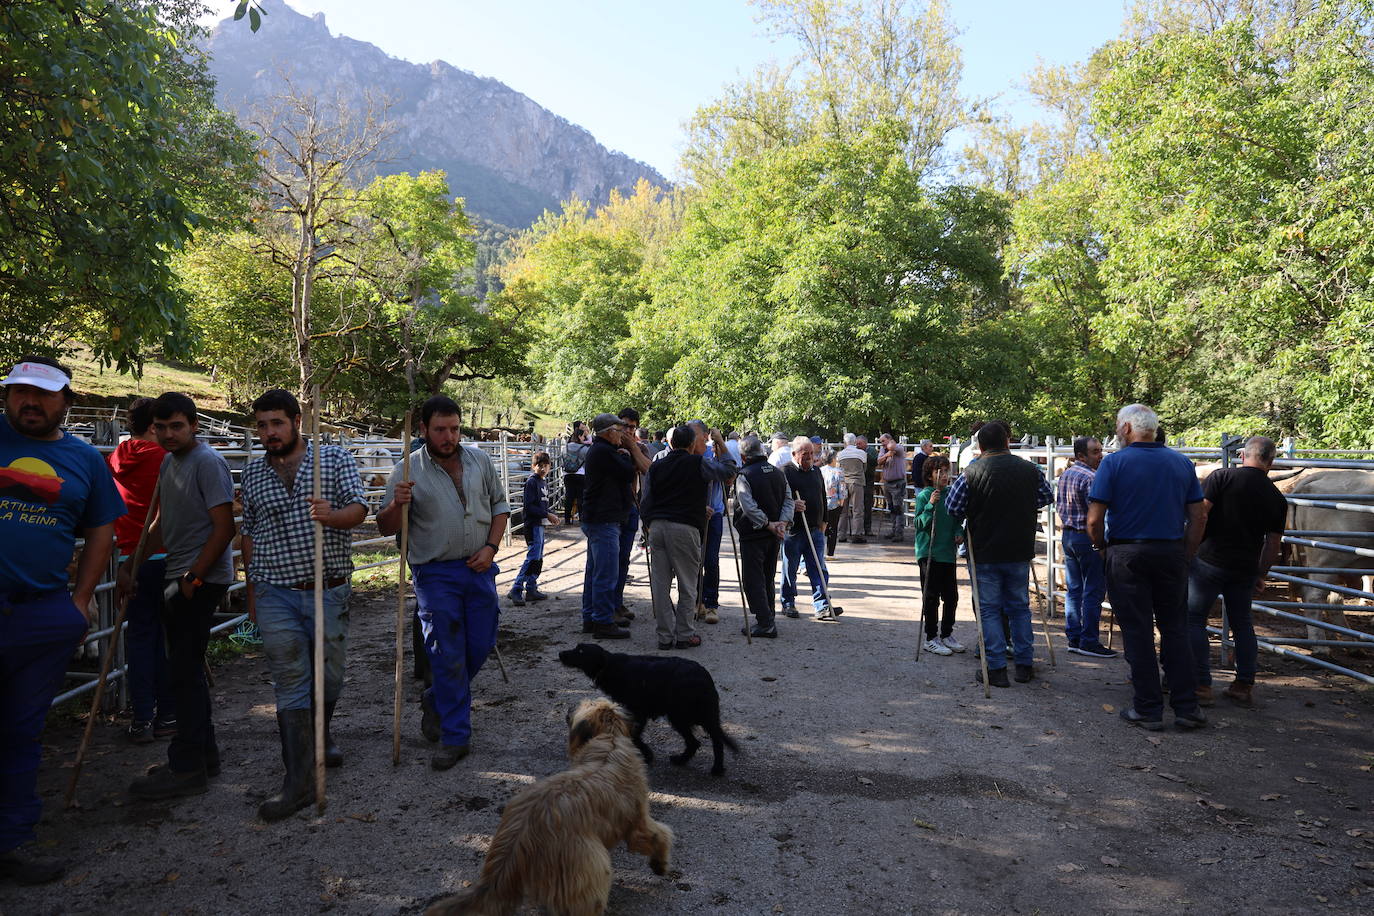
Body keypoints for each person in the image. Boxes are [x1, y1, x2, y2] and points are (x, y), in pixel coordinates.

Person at [0, 357, 124, 885]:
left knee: (21, 733)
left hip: (42, 612)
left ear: (67, 402)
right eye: (19, 392)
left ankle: (10, 842)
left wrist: (77, 603)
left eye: (44, 394)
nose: (31, 402)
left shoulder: (83, 460)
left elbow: (102, 531)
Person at [238, 388, 368, 820]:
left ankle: (321, 731)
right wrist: (251, 592)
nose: (269, 432)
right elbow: (250, 534)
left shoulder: (332, 460)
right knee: (290, 677)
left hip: (326, 587)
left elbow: (359, 510)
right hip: (275, 590)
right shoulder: (254, 475)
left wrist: (332, 515)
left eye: (276, 423)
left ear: (296, 420)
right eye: (261, 425)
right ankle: (297, 782)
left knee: (329, 675)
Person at [378, 395, 510, 770]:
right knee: (446, 653)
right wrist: (395, 504)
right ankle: (456, 736)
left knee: (481, 643)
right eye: (440, 429)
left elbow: (500, 507)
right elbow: (387, 527)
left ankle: (437, 699)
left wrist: (491, 547)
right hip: (434, 573)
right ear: (423, 430)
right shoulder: (406, 471)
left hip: (480, 567)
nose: (449, 436)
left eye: (454, 428)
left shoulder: (479, 460)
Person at [125, 392, 236, 800]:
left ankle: (186, 765)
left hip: (198, 577)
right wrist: (132, 564)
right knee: (184, 669)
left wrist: (193, 576)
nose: (169, 434)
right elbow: (159, 520)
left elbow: (224, 527)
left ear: (194, 425)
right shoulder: (170, 462)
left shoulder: (208, 462)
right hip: (178, 572)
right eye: (162, 427)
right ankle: (203, 756)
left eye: (177, 426)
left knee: (182, 671)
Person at [1086, 403, 1207, 731]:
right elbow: (1198, 516)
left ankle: (1148, 708)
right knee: (1176, 629)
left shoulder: (1114, 464)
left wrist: (1100, 547)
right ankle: (1187, 707)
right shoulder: (1182, 464)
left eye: (1116, 425)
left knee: (1137, 632)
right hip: (1170, 553)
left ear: (1126, 429)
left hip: (1127, 553)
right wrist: (1186, 552)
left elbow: (1095, 518)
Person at [945, 421, 1052, 688]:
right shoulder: (1030, 470)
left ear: (979, 446)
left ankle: (996, 669)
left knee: (990, 610)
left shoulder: (971, 472)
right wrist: (1021, 506)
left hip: (985, 550)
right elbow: (1046, 497)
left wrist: (980, 508)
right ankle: (1024, 665)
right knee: (1019, 608)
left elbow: (953, 507)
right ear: (1007, 441)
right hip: (1018, 548)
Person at [1186, 436, 1286, 709]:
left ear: (1244, 456)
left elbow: (1201, 516)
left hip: (1208, 561)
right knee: (1243, 625)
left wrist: (1189, 551)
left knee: (1194, 620)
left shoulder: (1221, 478)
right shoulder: (1276, 497)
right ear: (1271, 461)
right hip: (1243, 569)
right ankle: (1243, 685)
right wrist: (1260, 574)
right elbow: (1273, 543)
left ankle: (1201, 685)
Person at [107, 396, 175, 743]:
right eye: (163, 424)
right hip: (163, 558)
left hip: (127, 561)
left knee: (140, 638)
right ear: (153, 426)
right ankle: (166, 717)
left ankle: (141, 719)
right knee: (167, 639)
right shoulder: (166, 460)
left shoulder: (114, 460)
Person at [640, 426, 736, 649]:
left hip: (658, 527)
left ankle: (664, 636)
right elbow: (729, 471)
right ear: (692, 444)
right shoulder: (698, 463)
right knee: (687, 583)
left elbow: (646, 500)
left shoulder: (657, 466)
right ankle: (684, 634)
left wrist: (648, 526)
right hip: (685, 528)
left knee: (660, 584)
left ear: (671, 443)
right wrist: (720, 443)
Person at [577, 412, 650, 639]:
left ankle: (591, 617)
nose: (624, 434)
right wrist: (628, 456)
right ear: (608, 432)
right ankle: (603, 622)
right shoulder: (604, 452)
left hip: (599, 518)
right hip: (604, 519)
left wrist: (624, 454)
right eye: (620, 430)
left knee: (595, 571)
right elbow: (629, 472)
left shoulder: (602, 450)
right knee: (605, 574)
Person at [1056, 436, 1116, 659]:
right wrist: (1100, 543)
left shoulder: (1067, 474)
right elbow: (1097, 516)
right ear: (1081, 455)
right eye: (1095, 451)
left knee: (1074, 588)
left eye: (1100, 450)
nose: (1100, 455)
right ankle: (1089, 640)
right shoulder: (1092, 478)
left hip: (1069, 536)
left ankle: (1074, 636)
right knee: (1093, 589)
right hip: (1087, 537)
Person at [734, 436, 793, 638]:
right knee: (768, 577)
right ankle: (769, 617)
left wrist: (769, 525)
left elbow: (747, 506)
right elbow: (789, 500)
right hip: (774, 534)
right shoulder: (778, 473)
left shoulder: (744, 475)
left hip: (754, 534)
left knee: (753, 579)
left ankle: (765, 622)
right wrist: (781, 524)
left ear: (743, 456)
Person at [780, 437, 841, 621]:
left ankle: (822, 605)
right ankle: (788, 603)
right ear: (794, 454)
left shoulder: (816, 471)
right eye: (805, 454)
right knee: (790, 569)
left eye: (812, 454)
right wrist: (792, 504)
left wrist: (824, 521)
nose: (809, 458)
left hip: (815, 529)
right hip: (794, 530)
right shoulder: (784, 472)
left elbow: (822, 495)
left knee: (819, 568)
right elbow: (777, 499)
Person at [914, 456, 964, 655]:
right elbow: (919, 524)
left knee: (951, 597)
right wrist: (930, 505)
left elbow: (956, 520)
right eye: (939, 472)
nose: (944, 476)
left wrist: (958, 531)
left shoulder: (952, 494)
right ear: (930, 475)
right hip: (929, 553)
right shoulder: (925, 495)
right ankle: (930, 636)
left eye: (946, 471)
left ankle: (947, 634)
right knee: (931, 597)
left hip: (947, 553)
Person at [688, 420, 734, 626]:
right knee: (692, 560)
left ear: (705, 435)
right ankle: (695, 601)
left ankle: (711, 603)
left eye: (695, 434)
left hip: (713, 513)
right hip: (691, 514)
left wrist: (721, 443)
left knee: (711, 560)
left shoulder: (713, 453)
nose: (691, 437)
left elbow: (731, 472)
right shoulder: (686, 454)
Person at [613, 407, 649, 622]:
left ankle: (617, 601)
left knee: (624, 559)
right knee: (610, 560)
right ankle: (607, 606)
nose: (628, 430)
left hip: (631, 506)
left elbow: (646, 469)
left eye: (632, 427)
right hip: (611, 509)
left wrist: (632, 448)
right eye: (624, 425)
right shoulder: (608, 445)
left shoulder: (641, 447)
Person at [509, 451, 559, 606]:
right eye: (540, 466)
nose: (543, 469)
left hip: (540, 524)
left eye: (546, 466)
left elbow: (541, 504)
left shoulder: (542, 482)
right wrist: (547, 514)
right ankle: (516, 588)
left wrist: (549, 514)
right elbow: (529, 506)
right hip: (533, 525)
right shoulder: (532, 482)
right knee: (532, 557)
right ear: (533, 467)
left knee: (538, 558)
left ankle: (531, 587)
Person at [835, 434, 867, 544]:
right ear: (854, 441)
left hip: (844, 483)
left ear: (845, 442)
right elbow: (864, 468)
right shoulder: (862, 453)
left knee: (843, 511)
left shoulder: (840, 454)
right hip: (857, 482)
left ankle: (841, 535)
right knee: (858, 509)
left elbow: (838, 469)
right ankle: (856, 534)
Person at [877, 433, 908, 542]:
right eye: (881, 442)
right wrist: (886, 455)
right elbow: (879, 461)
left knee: (898, 508)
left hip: (897, 483)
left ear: (890, 440)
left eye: (883, 441)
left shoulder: (899, 448)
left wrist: (889, 448)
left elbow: (892, 447)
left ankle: (899, 533)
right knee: (891, 508)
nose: (882, 444)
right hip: (887, 483)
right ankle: (893, 530)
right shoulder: (883, 450)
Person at [560, 421, 589, 524]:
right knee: (580, 497)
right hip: (580, 474)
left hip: (567, 474)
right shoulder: (584, 448)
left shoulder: (565, 448)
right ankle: (581, 518)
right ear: (580, 436)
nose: (583, 438)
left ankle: (567, 519)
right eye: (582, 437)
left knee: (569, 496)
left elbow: (562, 459)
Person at [819, 448, 845, 557]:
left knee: (820, 528)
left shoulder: (819, 471)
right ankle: (830, 553)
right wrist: (841, 501)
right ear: (833, 459)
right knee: (832, 528)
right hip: (834, 503)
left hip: (821, 503)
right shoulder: (839, 472)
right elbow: (842, 489)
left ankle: (819, 552)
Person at [860, 435, 878, 536]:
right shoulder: (856, 451)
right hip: (859, 481)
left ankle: (867, 528)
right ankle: (858, 528)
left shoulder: (871, 451)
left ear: (865, 443)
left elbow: (875, 462)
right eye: (856, 444)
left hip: (868, 481)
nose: (857, 446)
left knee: (867, 505)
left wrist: (864, 454)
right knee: (858, 506)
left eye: (859, 444)